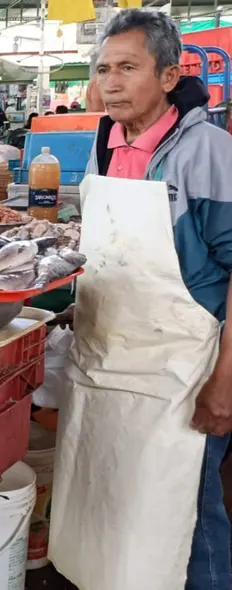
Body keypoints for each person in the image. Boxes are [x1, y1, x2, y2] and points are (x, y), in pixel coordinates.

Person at [49, 10, 232, 590]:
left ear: (171, 75)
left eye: (129, 68)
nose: (112, 83)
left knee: (187, 514)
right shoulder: (106, 143)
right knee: (113, 502)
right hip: (109, 358)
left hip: (183, 369)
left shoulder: (206, 152)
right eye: (104, 69)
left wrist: (224, 383)